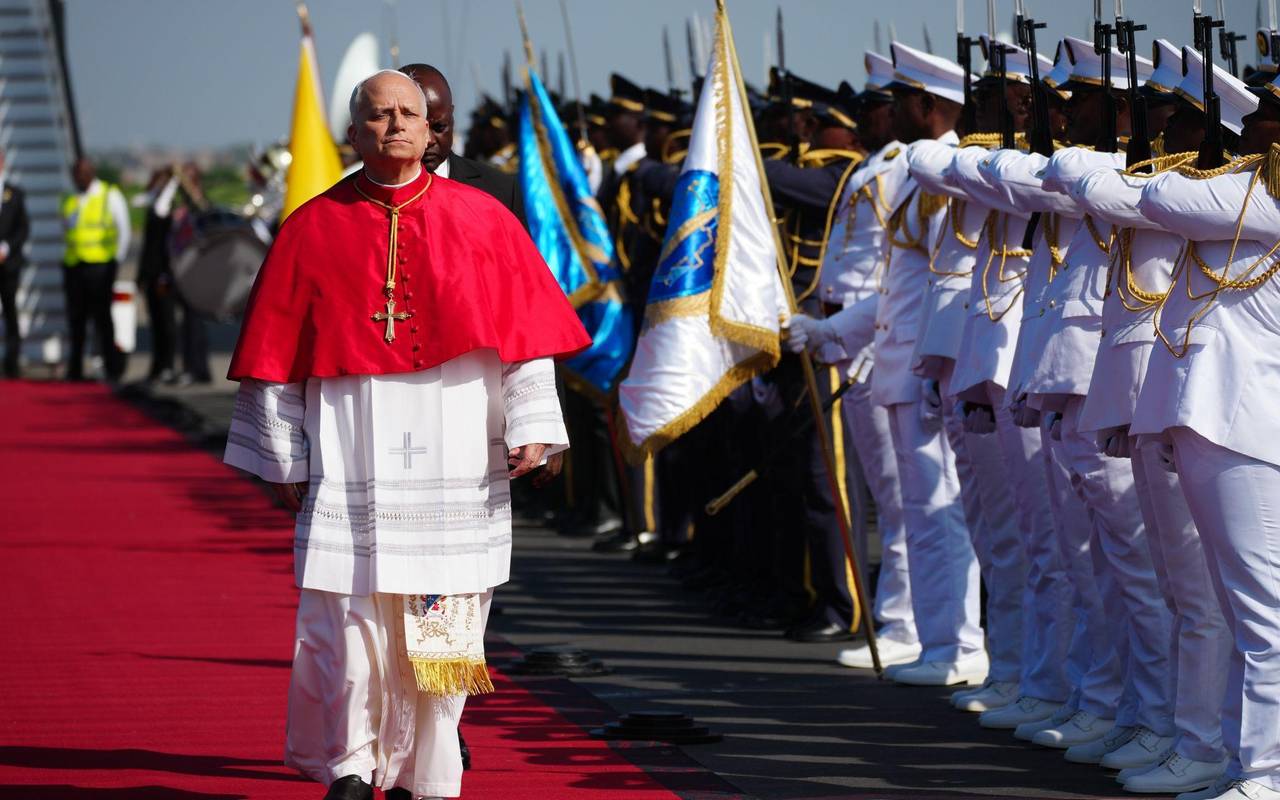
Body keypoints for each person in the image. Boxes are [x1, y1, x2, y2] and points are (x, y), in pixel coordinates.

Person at [221, 69, 589, 800]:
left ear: (431, 130)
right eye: (377, 114)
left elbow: (525, 342)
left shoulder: (485, 219)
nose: (394, 124)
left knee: (448, 624)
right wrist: (287, 453)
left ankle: (434, 772)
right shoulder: (312, 226)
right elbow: (272, 363)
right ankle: (351, 765)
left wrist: (535, 424)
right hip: (352, 446)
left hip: (458, 447)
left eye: (407, 113)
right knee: (346, 628)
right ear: (352, 133)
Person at [1129, 67, 1280, 800]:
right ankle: (1240, 761)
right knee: (1238, 605)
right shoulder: (1253, 192)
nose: (1249, 128)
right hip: (1225, 422)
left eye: (1266, 117)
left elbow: (1159, 193)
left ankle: (1266, 771)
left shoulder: (1259, 197)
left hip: (1252, 426)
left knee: (1262, 612)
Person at [399, 63, 525, 228]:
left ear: (451, 117)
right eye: (417, 129)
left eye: (439, 128)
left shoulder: (501, 190)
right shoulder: (357, 194)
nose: (428, 140)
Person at [61, 157, 130, 382]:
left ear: (91, 173)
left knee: (103, 320)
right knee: (76, 319)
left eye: (81, 173)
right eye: (75, 174)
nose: (78, 178)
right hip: (75, 265)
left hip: (101, 267)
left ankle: (111, 368)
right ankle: (75, 369)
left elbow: (124, 231)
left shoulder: (109, 195)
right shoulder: (70, 198)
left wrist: (115, 261)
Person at [137, 168, 179, 383]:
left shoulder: (167, 207)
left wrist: (172, 181)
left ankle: (168, 366)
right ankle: (157, 365)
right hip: (152, 273)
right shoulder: (154, 204)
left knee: (166, 322)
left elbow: (163, 209)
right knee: (157, 322)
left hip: (164, 274)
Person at [0, 148, 30, 378]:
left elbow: (23, 228)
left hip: (8, 265)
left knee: (10, 311)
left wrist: (7, 247)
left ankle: (12, 362)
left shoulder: (15, 194)